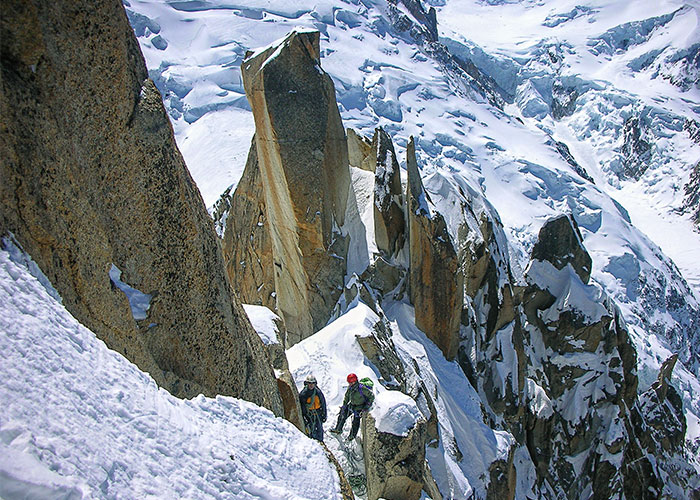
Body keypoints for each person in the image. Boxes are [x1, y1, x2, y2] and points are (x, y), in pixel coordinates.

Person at [330, 373, 374, 440]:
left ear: (354, 381)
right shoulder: (350, 388)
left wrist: (366, 406)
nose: (349, 384)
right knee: (342, 414)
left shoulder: (362, 388)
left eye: (350, 382)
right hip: (352, 405)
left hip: (360, 407)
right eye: (349, 382)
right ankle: (338, 429)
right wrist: (344, 405)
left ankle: (351, 436)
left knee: (355, 422)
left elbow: (371, 396)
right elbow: (347, 396)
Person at [299, 374, 327, 442]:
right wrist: (305, 416)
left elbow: (323, 403)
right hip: (309, 415)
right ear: (307, 383)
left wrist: (324, 414)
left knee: (319, 429)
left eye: (313, 383)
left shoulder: (318, 392)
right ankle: (314, 443)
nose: (311, 385)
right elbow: (302, 406)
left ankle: (320, 442)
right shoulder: (304, 394)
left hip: (318, 413)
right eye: (309, 383)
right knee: (312, 429)